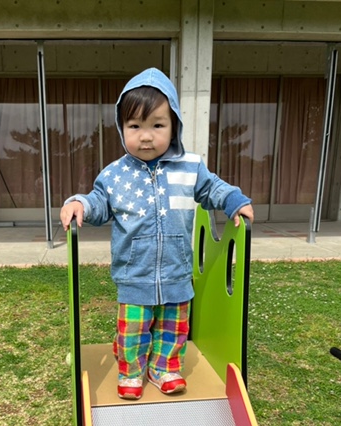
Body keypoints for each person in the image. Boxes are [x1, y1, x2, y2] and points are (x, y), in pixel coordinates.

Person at [61, 67, 254, 400]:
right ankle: (131, 370)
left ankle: (164, 368)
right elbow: (99, 202)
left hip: (176, 271)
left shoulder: (190, 167)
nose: (146, 137)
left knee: (173, 329)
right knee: (134, 329)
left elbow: (213, 188)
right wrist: (80, 203)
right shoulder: (115, 175)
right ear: (121, 128)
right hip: (134, 273)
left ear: (174, 125)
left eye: (157, 125)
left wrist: (234, 200)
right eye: (135, 126)